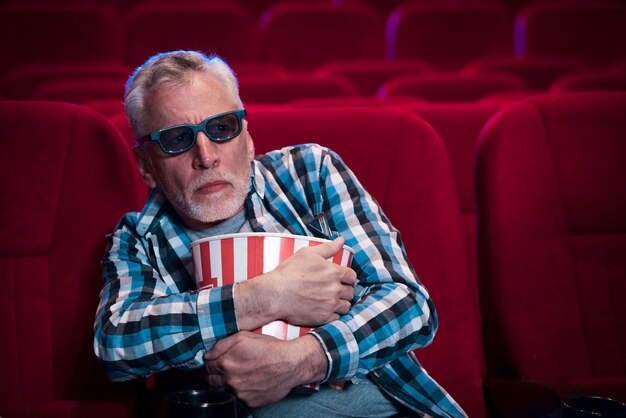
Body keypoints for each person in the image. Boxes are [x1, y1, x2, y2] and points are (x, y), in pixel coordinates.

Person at [94, 50, 465, 417]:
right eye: (177, 139)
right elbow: (116, 345)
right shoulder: (136, 240)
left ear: (248, 138)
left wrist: (304, 360)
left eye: (221, 128)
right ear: (146, 165)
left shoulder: (311, 172)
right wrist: (265, 296)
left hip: (388, 407)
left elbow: (410, 305)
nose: (206, 156)